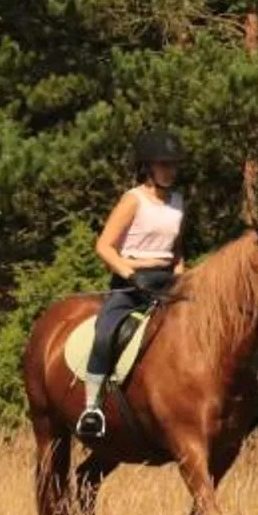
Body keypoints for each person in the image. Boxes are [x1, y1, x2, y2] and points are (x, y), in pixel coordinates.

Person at [78, 130, 189, 440]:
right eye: (163, 165)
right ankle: (91, 408)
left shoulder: (179, 202)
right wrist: (130, 274)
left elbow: (177, 249)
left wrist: (181, 275)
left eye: (173, 165)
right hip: (131, 281)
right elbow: (104, 246)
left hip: (167, 281)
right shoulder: (133, 199)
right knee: (105, 331)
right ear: (148, 167)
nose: (170, 171)